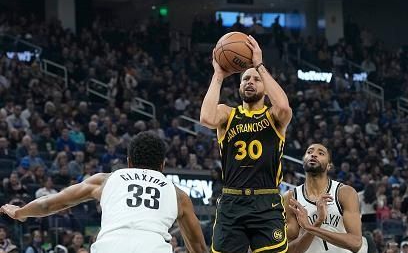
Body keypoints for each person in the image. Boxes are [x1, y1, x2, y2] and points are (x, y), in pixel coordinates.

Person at [1, 132, 208, 253]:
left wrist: (20, 212)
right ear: (162, 166)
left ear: (128, 163)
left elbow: (50, 203)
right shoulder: (178, 195)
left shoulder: (106, 180)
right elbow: (198, 247)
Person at [200, 35, 292, 253]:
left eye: (256, 79)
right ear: (239, 86)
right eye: (245, 79)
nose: (250, 82)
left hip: (266, 201)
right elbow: (206, 118)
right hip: (232, 200)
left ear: (265, 87)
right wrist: (218, 75)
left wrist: (259, 65)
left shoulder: (273, 116)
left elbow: (285, 106)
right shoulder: (227, 114)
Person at [285, 143, 366, 253]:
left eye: (320, 153)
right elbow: (291, 250)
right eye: (309, 152)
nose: (313, 155)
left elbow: (356, 243)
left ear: (329, 165)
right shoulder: (291, 197)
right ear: (303, 161)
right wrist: (318, 222)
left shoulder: (345, 193)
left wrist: (310, 227)